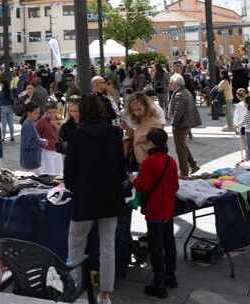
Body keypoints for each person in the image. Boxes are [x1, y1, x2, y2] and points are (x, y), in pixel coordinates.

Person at [64, 94, 126, 304]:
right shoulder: (114, 133)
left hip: (84, 198)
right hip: (110, 196)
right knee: (108, 245)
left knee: (75, 245)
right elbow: (121, 167)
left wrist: (76, 188)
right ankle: (105, 293)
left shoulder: (76, 136)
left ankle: (76, 287)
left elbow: (69, 172)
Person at [131, 128, 179, 299]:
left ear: (150, 143)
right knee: (169, 243)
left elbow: (142, 186)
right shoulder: (170, 161)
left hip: (154, 210)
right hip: (168, 209)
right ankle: (170, 277)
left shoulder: (149, 162)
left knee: (156, 247)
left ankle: (159, 284)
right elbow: (175, 186)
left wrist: (134, 180)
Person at [167, 74, 201, 177]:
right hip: (185, 123)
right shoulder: (184, 92)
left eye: (171, 83)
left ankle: (184, 172)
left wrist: (173, 123)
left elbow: (178, 112)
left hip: (181, 124)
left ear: (176, 83)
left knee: (180, 149)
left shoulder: (179, 94)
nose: (169, 85)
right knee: (182, 145)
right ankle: (193, 164)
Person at [123, 93, 165, 164]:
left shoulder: (154, 123)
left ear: (146, 107)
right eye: (133, 110)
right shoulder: (139, 121)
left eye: (139, 109)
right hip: (141, 162)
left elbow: (157, 145)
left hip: (150, 163)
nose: (136, 113)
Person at [35, 101, 63, 175]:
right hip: (46, 151)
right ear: (45, 112)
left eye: (54, 112)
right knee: (49, 171)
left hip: (57, 149)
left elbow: (62, 134)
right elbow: (36, 135)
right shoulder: (41, 122)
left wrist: (56, 125)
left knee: (58, 171)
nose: (52, 114)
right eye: (49, 112)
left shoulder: (58, 119)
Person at [19, 102, 45, 171]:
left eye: (38, 113)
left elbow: (32, 139)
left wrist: (40, 141)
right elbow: (27, 144)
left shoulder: (30, 123)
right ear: (29, 113)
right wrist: (41, 142)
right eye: (36, 113)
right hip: (30, 160)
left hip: (32, 159)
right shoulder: (27, 125)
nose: (38, 115)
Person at [233, 89, 250, 160]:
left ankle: (247, 155)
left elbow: (236, 116)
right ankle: (248, 155)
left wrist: (236, 125)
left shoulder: (239, 105)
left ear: (237, 96)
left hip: (243, 126)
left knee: (245, 143)